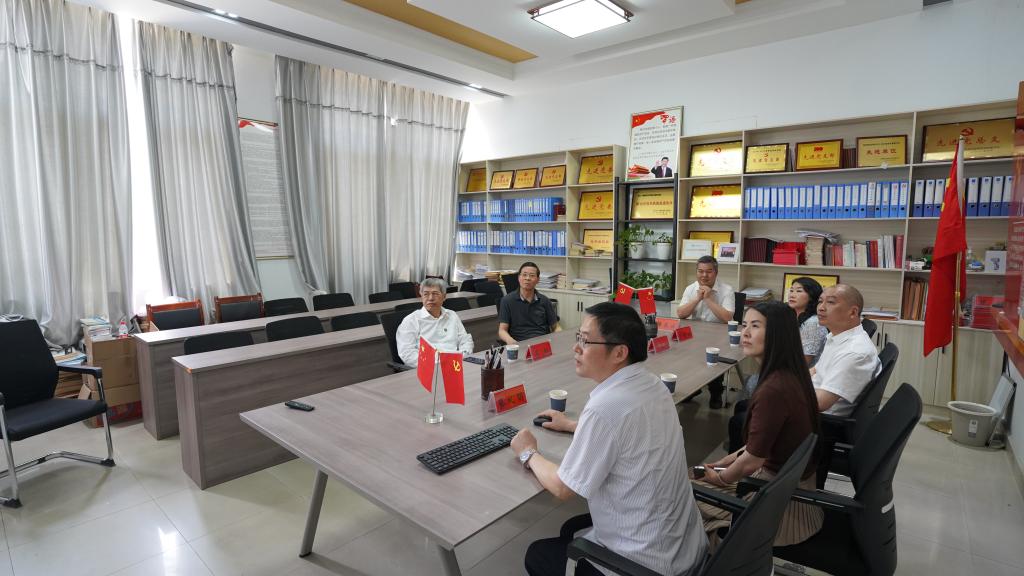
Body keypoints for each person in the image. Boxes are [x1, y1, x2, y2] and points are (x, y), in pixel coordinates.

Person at [513, 302, 707, 576]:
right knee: (568, 530)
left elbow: (562, 488)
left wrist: (528, 452)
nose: (576, 348)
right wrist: (573, 425)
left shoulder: (605, 408)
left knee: (538, 554)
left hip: (646, 566)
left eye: (585, 340)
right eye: (578, 337)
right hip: (686, 549)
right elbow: (630, 430)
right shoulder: (653, 385)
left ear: (619, 352)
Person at [694, 301, 823, 550]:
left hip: (780, 511)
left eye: (755, 326)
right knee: (697, 473)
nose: (745, 333)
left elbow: (752, 461)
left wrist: (721, 479)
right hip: (786, 489)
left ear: (778, 334)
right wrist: (723, 462)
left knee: (679, 491)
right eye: (744, 325)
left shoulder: (774, 389)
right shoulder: (790, 373)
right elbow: (757, 445)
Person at [728, 277, 828, 451]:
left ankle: (745, 437)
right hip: (791, 378)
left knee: (751, 385)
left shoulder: (812, 323)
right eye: (791, 290)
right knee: (743, 402)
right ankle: (743, 439)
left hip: (798, 379)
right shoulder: (794, 317)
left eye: (799, 291)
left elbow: (801, 361)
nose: (792, 294)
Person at [812, 284, 880, 417]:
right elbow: (816, 370)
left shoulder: (854, 353)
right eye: (820, 301)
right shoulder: (836, 335)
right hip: (810, 395)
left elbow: (820, 403)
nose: (821, 307)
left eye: (830, 302)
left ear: (853, 312)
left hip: (820, 418)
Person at [677, 256, 735, 407]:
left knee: (714, 352)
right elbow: (681, 314)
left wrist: (708, 299)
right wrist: (697, 298)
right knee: (683, 352)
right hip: (695, 335)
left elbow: (727, 318)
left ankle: (716, 391)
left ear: (716, 272)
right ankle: (693, 388)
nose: (704, 275)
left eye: (709, 271)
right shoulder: (691, 289)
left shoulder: (727, 290)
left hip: (719, 335)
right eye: (700, 271)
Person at [396, 278, 473, 367]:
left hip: (456, 365)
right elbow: (407, 354)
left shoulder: (452, 315)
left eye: (435, 294)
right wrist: (438, 364)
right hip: (429, 369)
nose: (430, 298)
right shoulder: (411, 321)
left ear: (444, 297)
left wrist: (461, 357)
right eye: (426, 294)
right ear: (421, 296)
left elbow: (465, 340)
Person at [498, 262, 560, 345]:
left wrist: (560, 337)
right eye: (524, 275)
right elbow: (502, 330)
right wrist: (511, 342)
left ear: (538, 280)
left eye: (532, 275)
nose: (527, 278)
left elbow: (555, 326)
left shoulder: (544, 300)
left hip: (542, 344)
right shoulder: (507, 301)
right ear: (519, 278)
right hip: (519, 343)